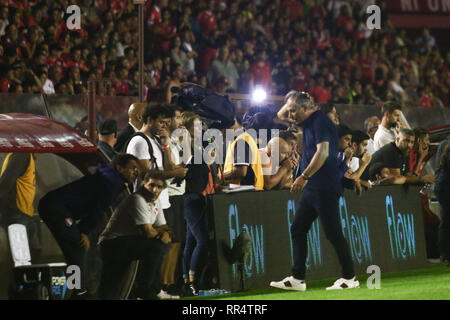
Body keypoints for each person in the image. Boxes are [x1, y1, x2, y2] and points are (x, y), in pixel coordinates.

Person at [270, 90, 358, 291]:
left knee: (333, 233)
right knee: (298, 228)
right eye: (291, 111)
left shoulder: (320, 122)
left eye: (294, 111)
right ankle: (297, 279)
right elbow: (280, 115)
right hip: (314, 187)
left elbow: (323, 152)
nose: (290, 116)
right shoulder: (307, 121)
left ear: (305, 108)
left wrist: (304, 176)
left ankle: (350, 277)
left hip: (325, 186)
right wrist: (292, 97)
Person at [38, 153, 139, 299]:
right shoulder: (112, 182)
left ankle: (76, 291)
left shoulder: (111, 176)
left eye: (137, 169)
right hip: (56, 208)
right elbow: (98, 210)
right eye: (132, 168)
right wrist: (84, 232)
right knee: (77, 246)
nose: (135, 171)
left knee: (73, 249)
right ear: (120, 168)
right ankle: (78, 292)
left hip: (57, 207)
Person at [98, 175, 171, 300]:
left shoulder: (156, 202)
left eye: (159, 187)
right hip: (113, 244)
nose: (155, 190)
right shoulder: (137, 199)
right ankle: (145, 291)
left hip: (128, 242)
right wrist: (161, 234)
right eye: (152, 185)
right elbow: (147, 232)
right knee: (156, 246)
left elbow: (164, 227)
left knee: (112, 283)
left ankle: (151, 289)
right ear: (144, 184)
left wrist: (165, 233)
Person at [180, 111, 217, 296]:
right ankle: (191, 281)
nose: (199, 128)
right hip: (190, 197)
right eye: (195, 125)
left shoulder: (197, 145)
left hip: (198, 196)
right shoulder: (184, 146)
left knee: (191, 241)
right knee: (202, 240)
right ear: (186, 128)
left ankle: (187, 281)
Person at [0, 153, 41, 258]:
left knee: (29, 257)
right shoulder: (21, 155)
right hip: (17, 214)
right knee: (22, 260)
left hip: (24, 213)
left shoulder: (24, 155)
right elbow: (4, 185)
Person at [370, 128, 435, 184]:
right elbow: (397, 179)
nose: (409, 145)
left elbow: (408, 176)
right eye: (406, 141)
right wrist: (422, 179)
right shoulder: (391, 151)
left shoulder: (405, 151)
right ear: (397, 140)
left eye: (412, 142)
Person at [223, 117, 264, 190]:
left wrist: (221, 177)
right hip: (249, 193)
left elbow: (241, 172)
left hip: (246, 195)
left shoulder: (241, 141)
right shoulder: (243, 138)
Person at [434, 137, 450, 265]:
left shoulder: (444, 143)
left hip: (441, 186)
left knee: (446, 219)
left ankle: (444, 253)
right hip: (446, 186)